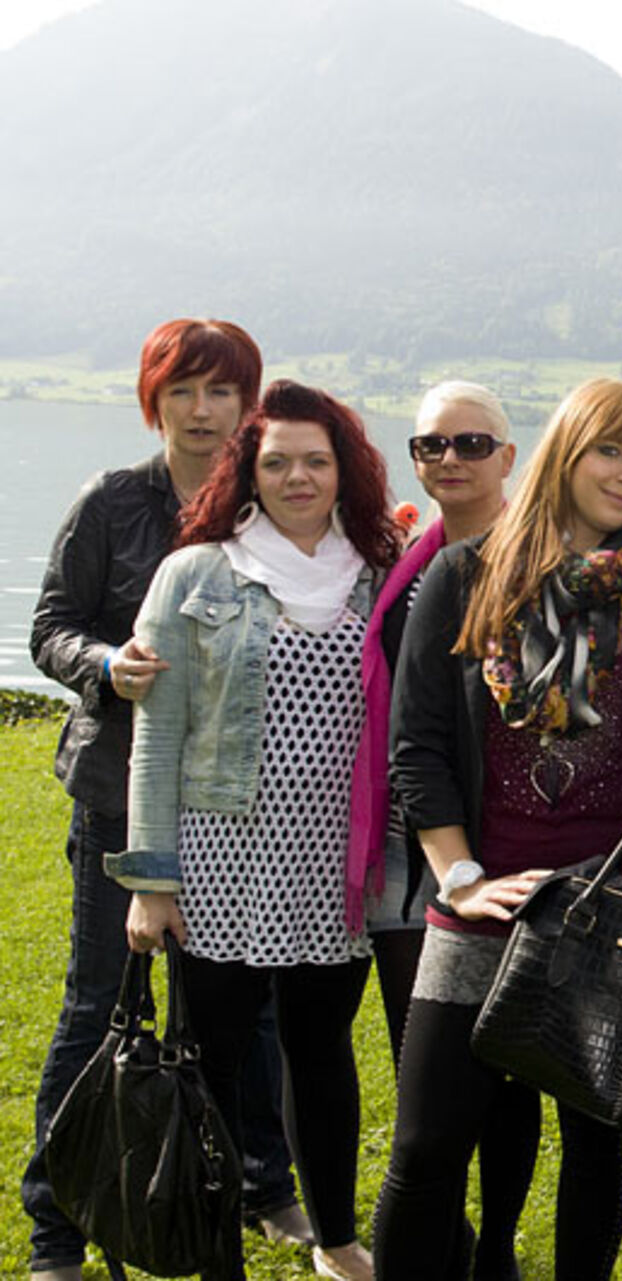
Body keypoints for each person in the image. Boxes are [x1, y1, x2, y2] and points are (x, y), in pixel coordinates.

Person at [373, 378, 622, 1280]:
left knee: (596, 1146)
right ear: (564, 451)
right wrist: (462, 876)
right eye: (610, 450)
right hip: (482, 903)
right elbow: (417, 748)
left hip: (611, 909)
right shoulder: (465, 573)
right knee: (427, 1145)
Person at [23, 318, 311, 1281]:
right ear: (154, 401)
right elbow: (50, 626)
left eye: (221, 391)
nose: (201, 409)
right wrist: (107, 663)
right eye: (182, 389)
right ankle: (58, 1225)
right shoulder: (112, 502)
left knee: (251, 1003)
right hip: (120, 787)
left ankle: (264, 1185)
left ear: (248, 404)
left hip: (242, 802)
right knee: (99, 1002)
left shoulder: (267, 505)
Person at [110, 378, 403, 1281]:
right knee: (214, 1064)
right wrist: (153, 881)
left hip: (335, 862)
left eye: (316, 460)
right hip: (219, 859)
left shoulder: (381, 572)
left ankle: (336, 1238)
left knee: (322, 1055)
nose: (297, 477)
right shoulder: (197, 572)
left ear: (344, 469)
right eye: (277, 462)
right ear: (249, 469)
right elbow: (157, 736)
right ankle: (216, 1253)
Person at [351, 380, 539, 1280]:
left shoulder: (539, 563)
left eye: (472, 443)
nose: (451, 459)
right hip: (407, 841)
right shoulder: (405, 563)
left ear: (509, 457)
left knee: (504, 1068)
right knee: (425, 1067)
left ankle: (495, 1250)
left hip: (498, 846)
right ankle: (453, 1244)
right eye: (431, 445)